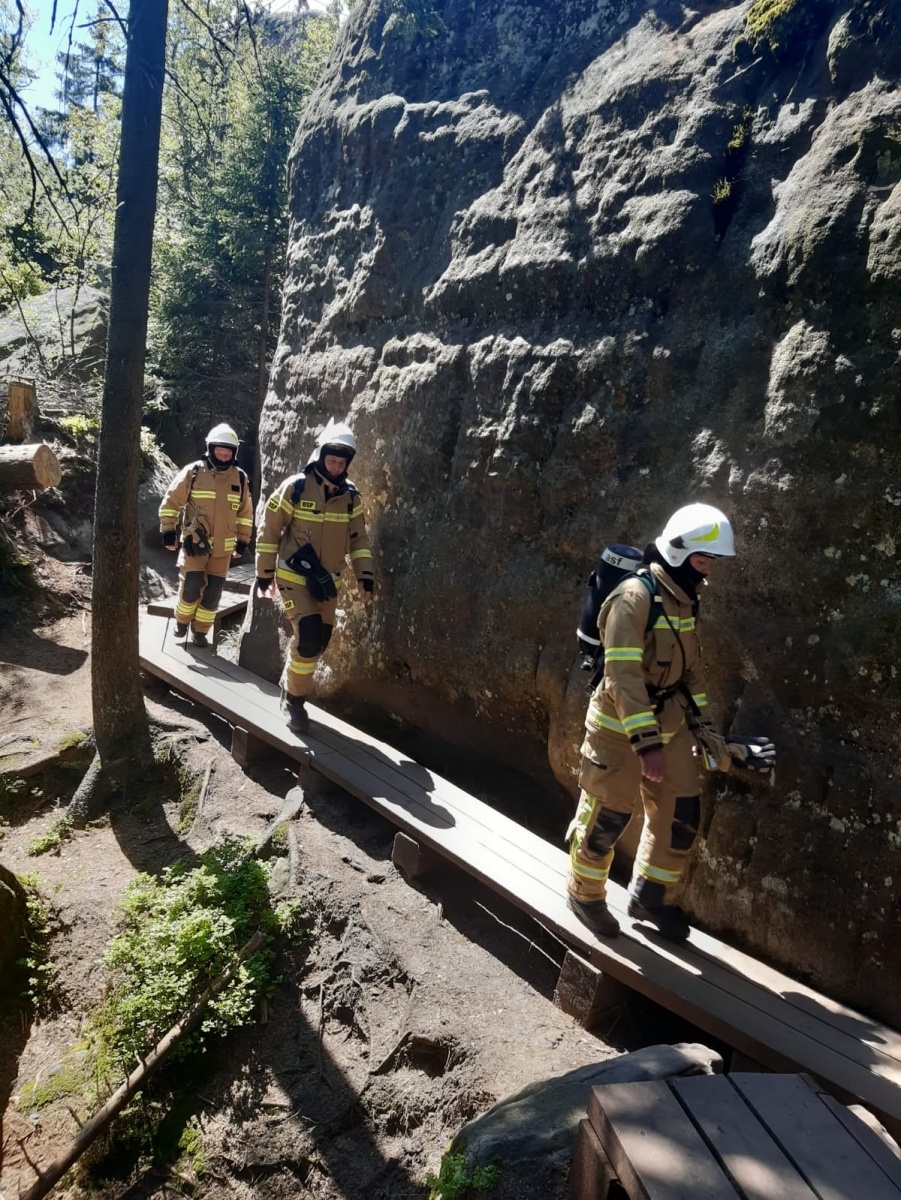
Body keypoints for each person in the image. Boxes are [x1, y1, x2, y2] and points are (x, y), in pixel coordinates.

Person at [566, 503, 775, 942]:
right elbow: (622, 677)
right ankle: (584, 894)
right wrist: (647, 745)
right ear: (679, 551)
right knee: (607, 816)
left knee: (681, 811)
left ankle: (651, 896)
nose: (709, 570)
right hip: (617, 727)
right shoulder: (633, 598)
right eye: (703, 560)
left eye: (712, 561)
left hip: (669, 720)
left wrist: (708, 733)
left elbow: (689, 672)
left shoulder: (682, 600)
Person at [255, 419, 374, 733]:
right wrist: (264, 573)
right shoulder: (296, 487)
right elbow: (269, 530)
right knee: (308, 637)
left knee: (318, 642)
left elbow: (359, 540)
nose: (336, 467)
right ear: (320, 455)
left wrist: (365, 577)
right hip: (294, 578)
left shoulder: (351, 497)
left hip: (327, 584)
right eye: (331, 460)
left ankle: (289, 684)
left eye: (341, 462)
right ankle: (293, 702)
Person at [158, 423, 253, 648]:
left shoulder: (240, 478)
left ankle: (200, 631)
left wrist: (243, 541)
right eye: (219, 451)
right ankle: (182, 621)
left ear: (234, 453)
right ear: (210, 449)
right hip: (194, 544)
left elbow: (245, 514)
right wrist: (168, 531)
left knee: (213, 593)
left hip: (222, 550)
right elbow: (171, 502)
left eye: (228, 452)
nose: (223, 456)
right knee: (191, 587)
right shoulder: (193, 472)